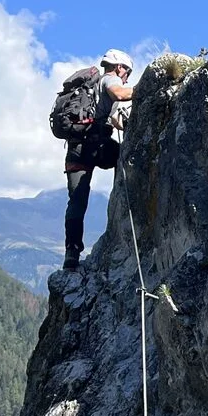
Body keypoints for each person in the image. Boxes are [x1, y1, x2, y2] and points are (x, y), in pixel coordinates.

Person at [63, 49, 135, 271]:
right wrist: (148, 87)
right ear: (120, 67)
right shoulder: (111, 79)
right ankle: (121, 214)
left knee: (76, 202)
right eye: (127, 74)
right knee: (126, 154)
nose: (126, 78)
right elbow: (120, 94)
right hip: (97, 146)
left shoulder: (89, 86)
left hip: (76, 148)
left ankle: (71, 254)